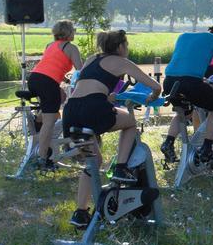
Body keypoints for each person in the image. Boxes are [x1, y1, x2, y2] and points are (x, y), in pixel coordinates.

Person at [62, 30, 161, 228]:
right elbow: (155, 86)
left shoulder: (91, 59)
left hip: (71, 110)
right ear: (120, 46)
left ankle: (80, 213)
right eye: (126, 45)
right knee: (130, 122)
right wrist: (152, 97)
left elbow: (88, 85)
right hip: (93, 107)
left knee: (93, 161)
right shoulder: (122, 62)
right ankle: (121, 167)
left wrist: (108, 97)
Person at [159, 27, 213, 168]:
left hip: (169, 81)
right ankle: (207, 148)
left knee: (183, 111)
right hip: (190, 82)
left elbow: (185, 61)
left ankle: (169, 142)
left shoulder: (183, 35)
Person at [26, 20, 83, 170]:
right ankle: (43, 159)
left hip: (34, 78)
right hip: (47, 82)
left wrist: (63, 78)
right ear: (69, 32)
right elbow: (80, 70)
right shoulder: (71, 48)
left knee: (61, 97)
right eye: (73, 30)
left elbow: (51, 65)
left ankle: (38, 118)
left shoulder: (49, 45)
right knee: (50, 123)